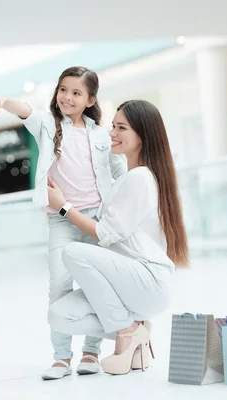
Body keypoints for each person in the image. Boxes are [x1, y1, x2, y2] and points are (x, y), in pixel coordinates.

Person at [0, 66, 127, 380]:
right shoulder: (48, 124)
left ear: (90, 100)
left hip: (97, 219)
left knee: (98, 285)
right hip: (61, 222)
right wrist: (3, 100)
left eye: (76, 92)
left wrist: (121, 207)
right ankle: (61, 357)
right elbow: (26, 111)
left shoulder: (102, 134)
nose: (67, 97)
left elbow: (119, 171)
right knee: (59, 286)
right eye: (63, 90)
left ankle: (91, 352)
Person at [46, 100, 189, 375]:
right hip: (127, 284)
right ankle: (135, 329)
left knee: (73, 252)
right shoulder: (131, 177)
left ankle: (126, 331)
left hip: (146, 281)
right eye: (113, 125)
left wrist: (63, 206)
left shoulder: (141, 178)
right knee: (59, 315)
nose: (112, 132)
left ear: (142, 136)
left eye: (121, 127)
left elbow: (104, 233)